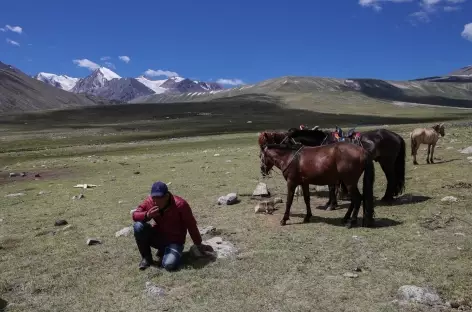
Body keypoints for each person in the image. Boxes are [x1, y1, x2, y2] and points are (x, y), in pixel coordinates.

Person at [131, 181, 210, 271]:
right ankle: (147, 258)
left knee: (169, 265)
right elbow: (135, 215)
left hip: (175, 241)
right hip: (158, 237)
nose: (156, 201)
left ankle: (167, 252)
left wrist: (198, 244)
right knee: (138, 226)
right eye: (154, 198)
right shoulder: (150, 201)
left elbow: (191, 225)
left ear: (167, 196)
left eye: (159, 198)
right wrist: (147, 215)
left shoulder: (181, 205)